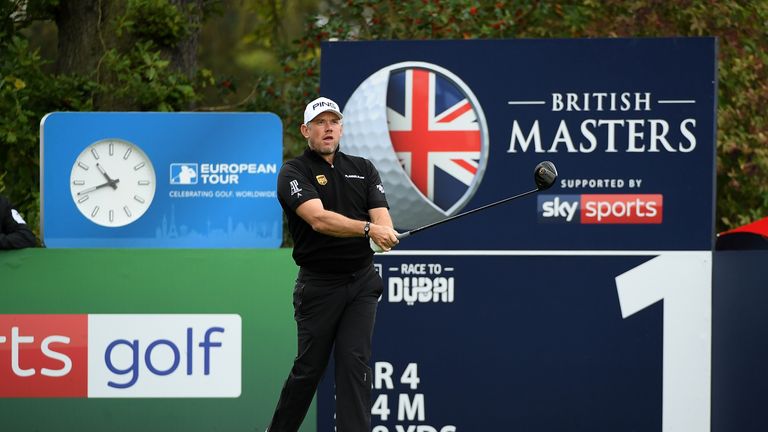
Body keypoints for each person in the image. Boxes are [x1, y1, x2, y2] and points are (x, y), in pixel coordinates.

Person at [267, 97, 400, 432]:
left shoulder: (364, 168)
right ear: (305, 130)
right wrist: (370, 229)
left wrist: (383, 232)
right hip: (319, 285)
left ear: (341, 127)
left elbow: (381, 216)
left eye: (333, 121)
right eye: (320, 122)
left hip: (361, 283)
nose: (327, 128)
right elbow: (319, 220)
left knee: (354, 364)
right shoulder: (293, 172)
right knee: (309, 369)